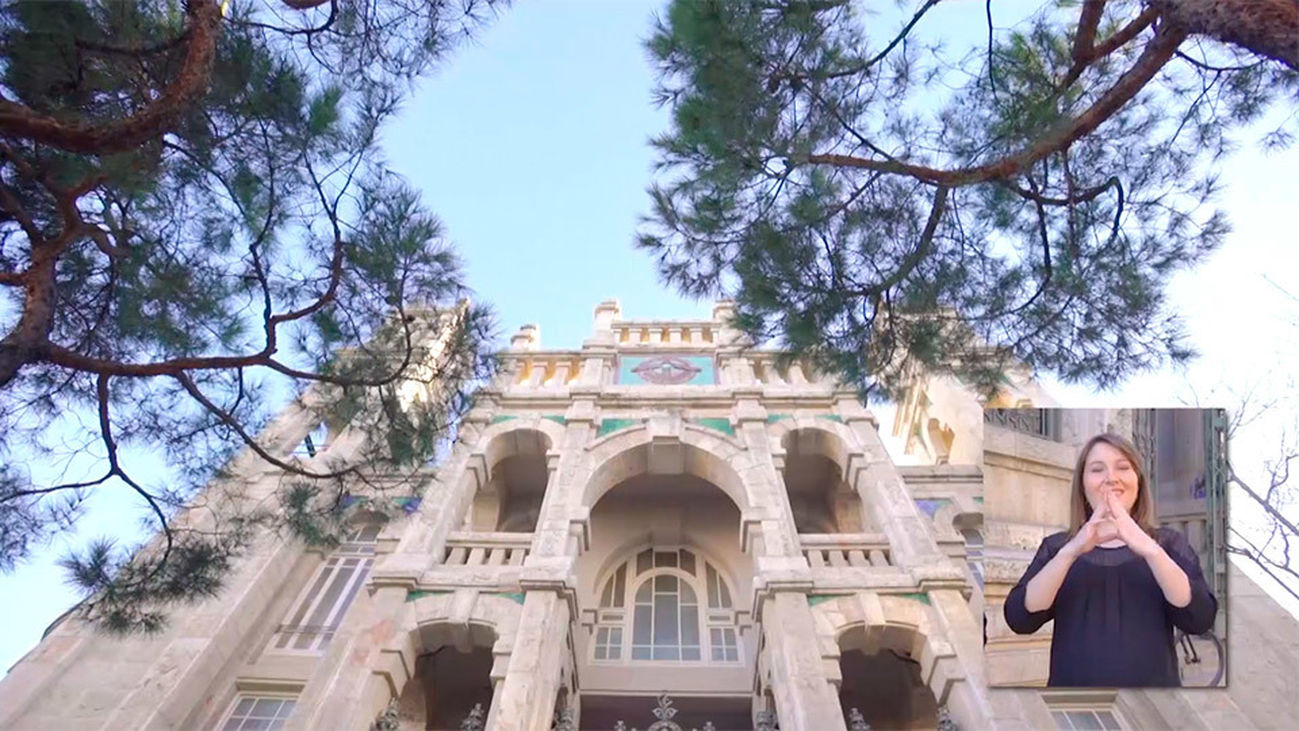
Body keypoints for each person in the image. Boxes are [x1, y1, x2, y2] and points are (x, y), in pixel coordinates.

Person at [1003, 433, 1217, 687]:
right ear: (1082, 484)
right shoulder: (1058, 547)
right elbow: (1019, 617)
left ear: (1137, 480)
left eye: (1123, 468)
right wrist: (1071, 551)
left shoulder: (1168, 545)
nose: (1111, 478)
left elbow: (1200, 617)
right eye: (1097, 469)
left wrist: (1149, 549)